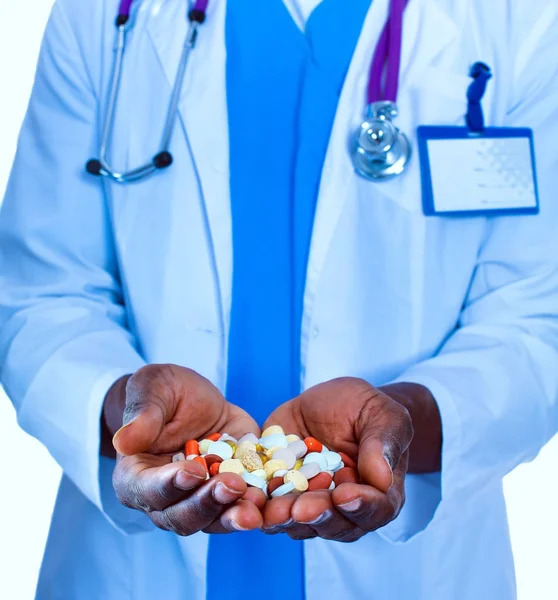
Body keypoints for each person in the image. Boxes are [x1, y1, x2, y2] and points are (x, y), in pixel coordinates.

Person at [1, 0, 558, 598]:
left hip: (414, 574)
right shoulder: (103, 14)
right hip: (134, 572)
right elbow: (42, 291)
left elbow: (536, 316)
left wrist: (402, 425)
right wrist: (130, 416)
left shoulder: (520, 19)